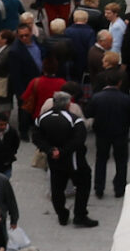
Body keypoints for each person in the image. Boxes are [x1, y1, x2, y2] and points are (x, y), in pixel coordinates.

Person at [34, 93, 94, 228]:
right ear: (68, 104)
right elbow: (79, 140)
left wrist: (50, 150)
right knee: (83, 184)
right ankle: (80, 214)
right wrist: (62, 151)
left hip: (54, 160)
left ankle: (62, 214)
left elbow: (37, 137)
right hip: (74, 160)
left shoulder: (41, 119)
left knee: (56, 188)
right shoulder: (74, 120)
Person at [84, 74, 130, 200]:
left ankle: (99, 187)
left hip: (102, 133)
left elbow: (88, 113)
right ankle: (119, 188)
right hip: (120, 133)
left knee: (101, 159)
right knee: (121, 161)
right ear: (119, 83)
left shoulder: (97, 98)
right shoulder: (126, 99)